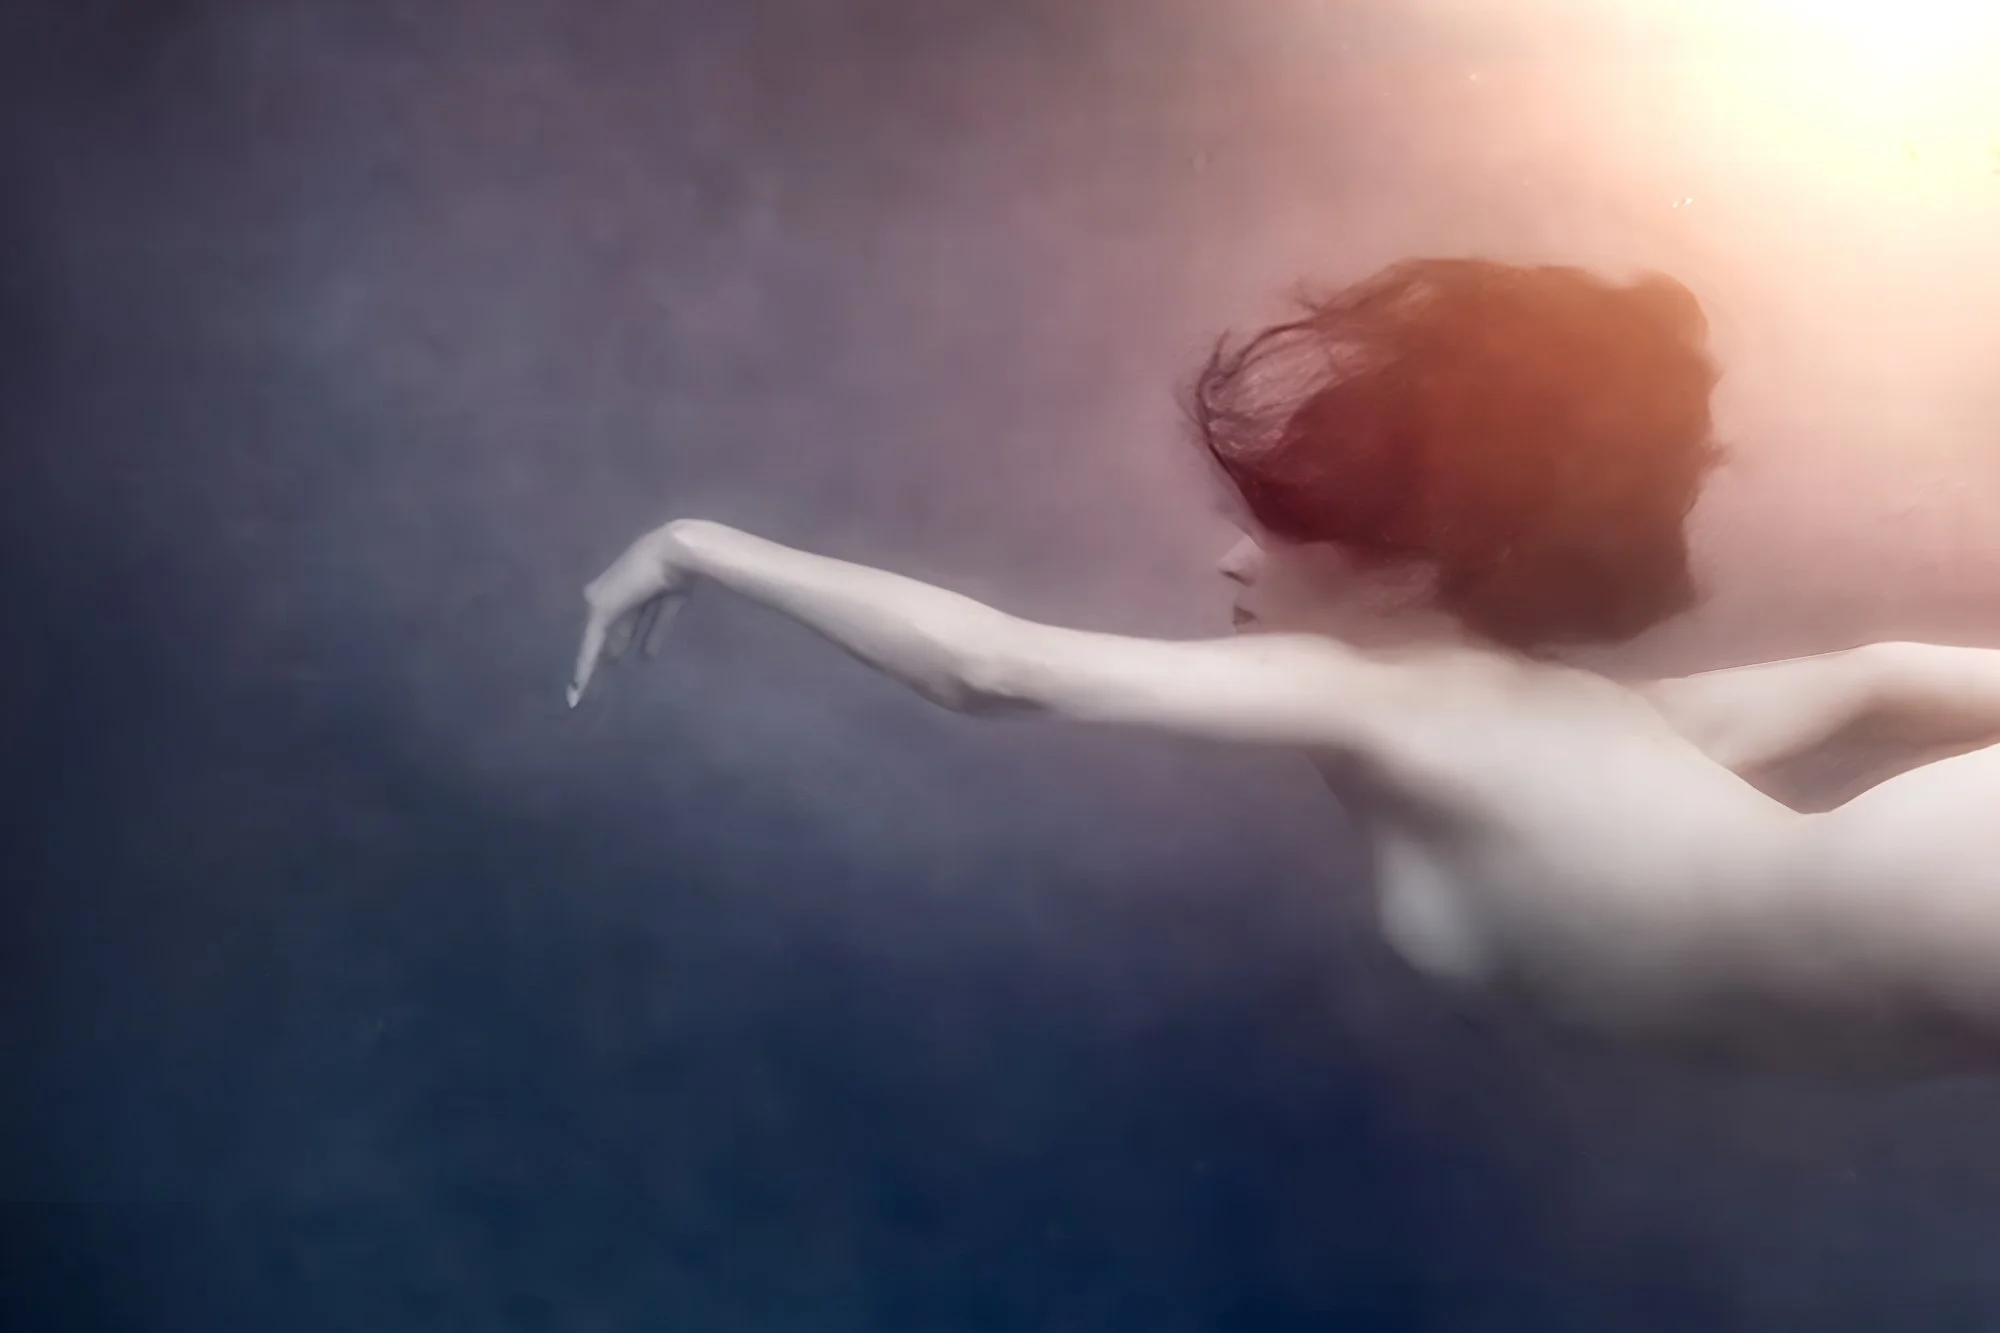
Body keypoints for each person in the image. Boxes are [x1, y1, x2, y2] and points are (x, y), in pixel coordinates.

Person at [568, 258, 2000, 1064]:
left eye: (1282, 535)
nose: (1231, 564)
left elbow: (991, 668)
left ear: (1416, 571)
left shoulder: (1368, 686)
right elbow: (1870, 672)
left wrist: (701, 546)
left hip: (1940, 894)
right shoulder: (1607, 726)